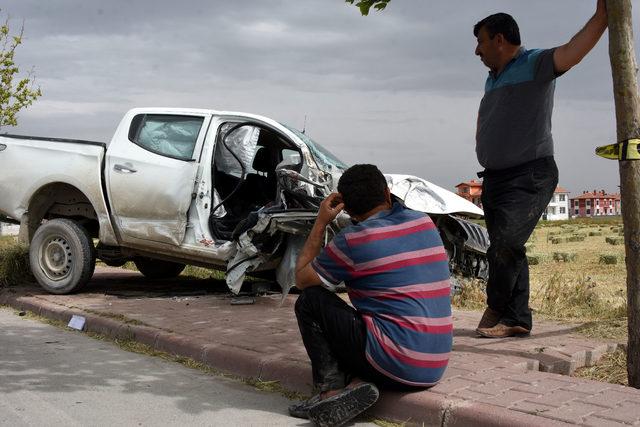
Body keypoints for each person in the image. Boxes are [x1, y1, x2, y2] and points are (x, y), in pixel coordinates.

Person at [473, 2, 608, 338]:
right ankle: (517, 319)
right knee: (507, 247)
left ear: (500, 40)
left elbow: (573, 52)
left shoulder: (535, 63)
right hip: (496, 177)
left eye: (481, 41)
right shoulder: (494, 78)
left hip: (529, 174)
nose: (477, 50)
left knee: (506, 242)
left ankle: (497, 305)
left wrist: (602, 16)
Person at [289, 164, 452, 426]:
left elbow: (302, 279)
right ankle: (359, 382)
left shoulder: (354, 239)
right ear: (387, 194)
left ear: (348, 210)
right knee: (373, 321)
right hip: (433, 366)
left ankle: (330, 392)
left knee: (310, 301)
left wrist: (321, 221)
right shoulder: (424, 222)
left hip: (395, 364)